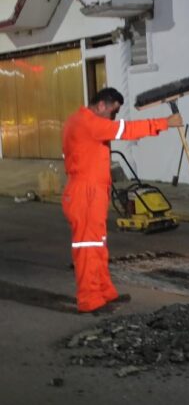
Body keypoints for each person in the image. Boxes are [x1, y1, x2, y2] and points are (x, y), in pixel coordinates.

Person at [62, 87, 182, 314]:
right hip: (85, 193)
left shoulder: (78, 121)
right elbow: (124, 130)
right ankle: (89, 299)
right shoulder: (88, 123)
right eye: (113, 113)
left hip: (90, 191)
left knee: (98, 246)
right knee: (88, 248)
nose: (113, 118)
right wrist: (164, 123)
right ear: (101, 106)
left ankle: (104, 292)